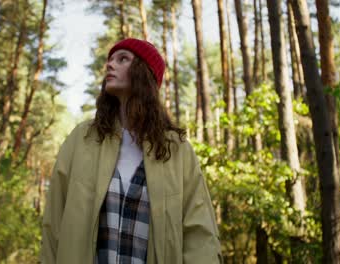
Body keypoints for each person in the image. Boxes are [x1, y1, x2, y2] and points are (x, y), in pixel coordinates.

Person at [41, 38, 222, 264]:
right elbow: (54, 222)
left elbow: (200, 233)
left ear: (143, 73)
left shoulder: (176, 149)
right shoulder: (82, 139)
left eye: (122, 59)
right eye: (110, 59)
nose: (109, 64)